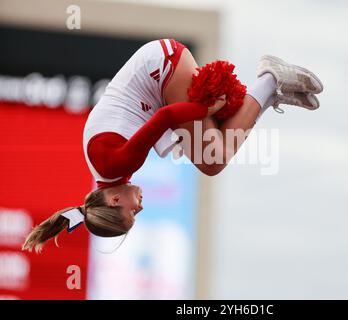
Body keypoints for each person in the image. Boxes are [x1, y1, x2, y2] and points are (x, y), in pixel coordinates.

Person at [22, 38, 323, 253]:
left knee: (211, 158)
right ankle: (271, 92)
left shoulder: (118, 166)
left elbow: (165, 116)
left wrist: (206, 109)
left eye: (133, 212)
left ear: (114, 201)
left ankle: (271, 81)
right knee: (210, 145)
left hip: (163, 67)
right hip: (159, 72)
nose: (140, 206)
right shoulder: (110, 170)